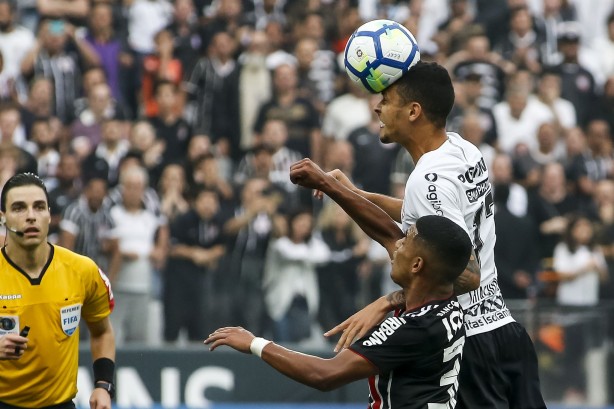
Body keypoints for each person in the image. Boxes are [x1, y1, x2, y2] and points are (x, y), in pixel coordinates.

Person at [290, 61, 546, 409]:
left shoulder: (429, 179)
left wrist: (390, 300)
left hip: (468, 343)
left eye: (388, 99)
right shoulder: (463, 150)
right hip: (505, 332)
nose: (377, 107)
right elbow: (426, 213)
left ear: (413, 111)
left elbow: (468, 274)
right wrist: (356, 194)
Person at [205, 214, 472, 409]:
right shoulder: (451, 308)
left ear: (416, 265)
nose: (397, 245)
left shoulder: (409, 329)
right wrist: (390, 300)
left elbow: (325, 375)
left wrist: (255, 343)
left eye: (407, 241)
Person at [0, 172, 116, 408]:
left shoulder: (82, 270)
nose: (31, 216)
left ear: (50, 215)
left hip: (61, 403)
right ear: (3, 217)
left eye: (39, 207)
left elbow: (102, 332)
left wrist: (103, 386)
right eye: (19, 208)